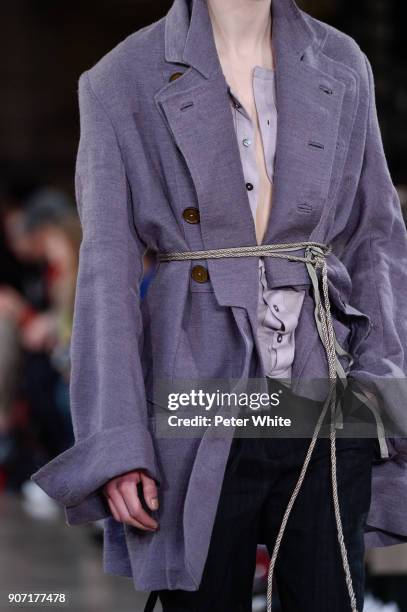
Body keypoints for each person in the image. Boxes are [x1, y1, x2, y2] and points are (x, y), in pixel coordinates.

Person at [31, 1, 407, 611]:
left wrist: (383, 390)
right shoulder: (120, 79)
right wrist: (118, 442)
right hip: (197, 389)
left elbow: (378, 238)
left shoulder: (342, 62)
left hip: (325, 387)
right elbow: (107, 275)